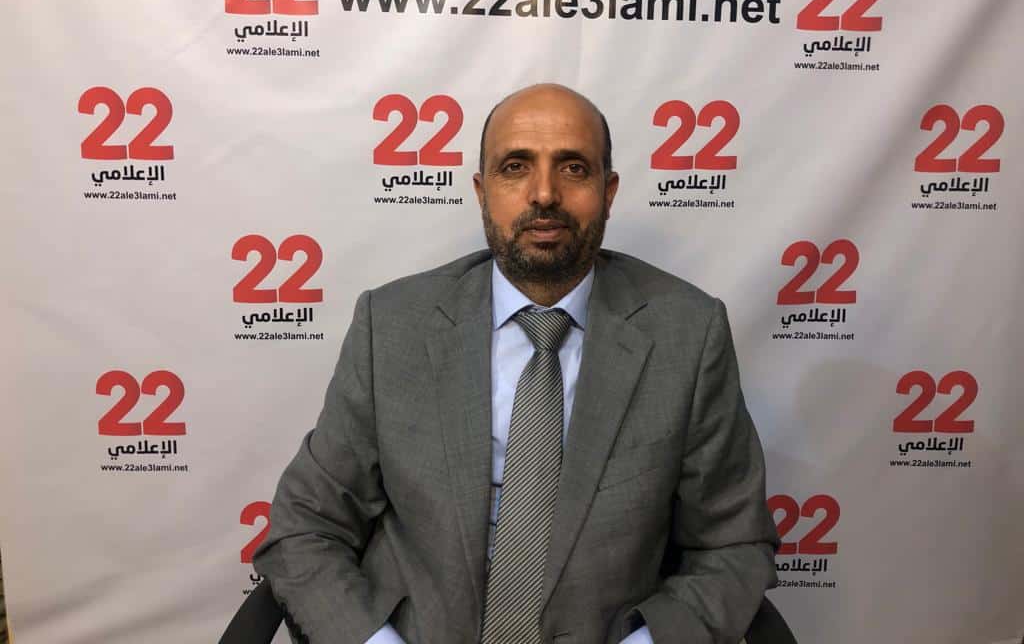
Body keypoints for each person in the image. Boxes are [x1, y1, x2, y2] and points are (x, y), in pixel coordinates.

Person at [254, 84, 778, 644]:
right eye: (515, 167)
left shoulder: (688, 335)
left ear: (608, 191)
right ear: (482, 192)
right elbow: (306, 524)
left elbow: (733, 544)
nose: (544, 193)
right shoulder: (392, 326)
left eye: (573, 168)